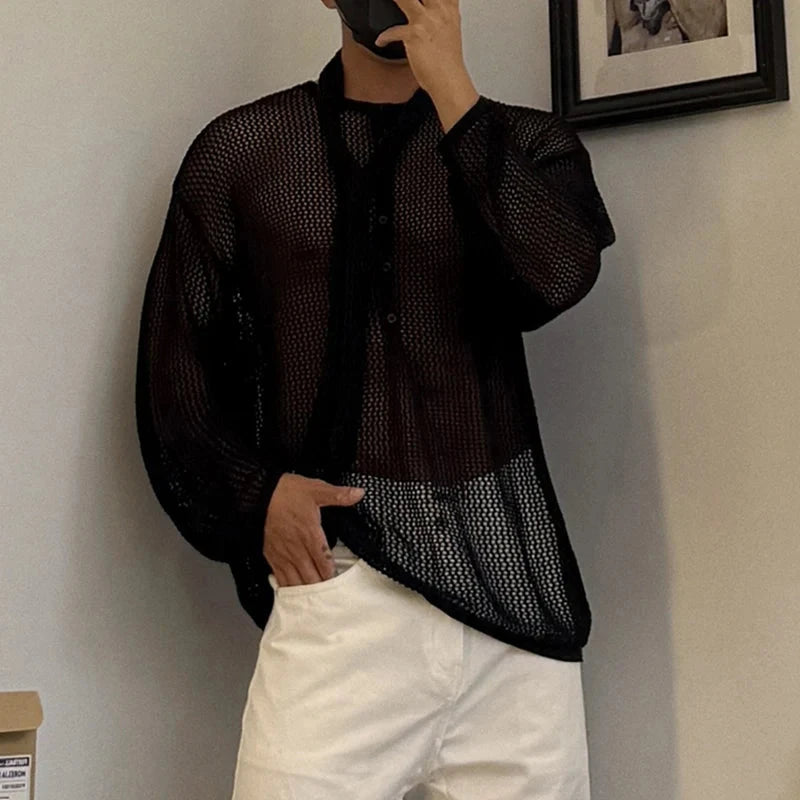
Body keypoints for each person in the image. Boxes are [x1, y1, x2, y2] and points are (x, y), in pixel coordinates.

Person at [134, 0, 617, 797]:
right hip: (342, 595)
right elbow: (176, 373)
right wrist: (260, 497)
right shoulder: (246, 152)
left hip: (512, 616)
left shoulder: (527, 144)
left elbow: (555, 276)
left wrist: (452, 89)